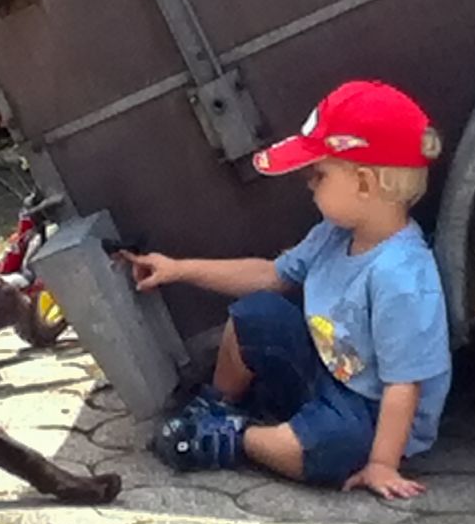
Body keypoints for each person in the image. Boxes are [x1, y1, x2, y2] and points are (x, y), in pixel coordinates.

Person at [121, 80, 451, 500]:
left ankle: (238, 438)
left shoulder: (401, 277)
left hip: (370, 411)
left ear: (366, 184)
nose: (309, 183)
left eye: (319, 174)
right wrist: (178, 269)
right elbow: (271, 276)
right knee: (254, 313)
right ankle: (218, 407)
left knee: (335, 447)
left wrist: (382, 464)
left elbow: (404, 385)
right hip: (326, 369)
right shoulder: (333, 233)